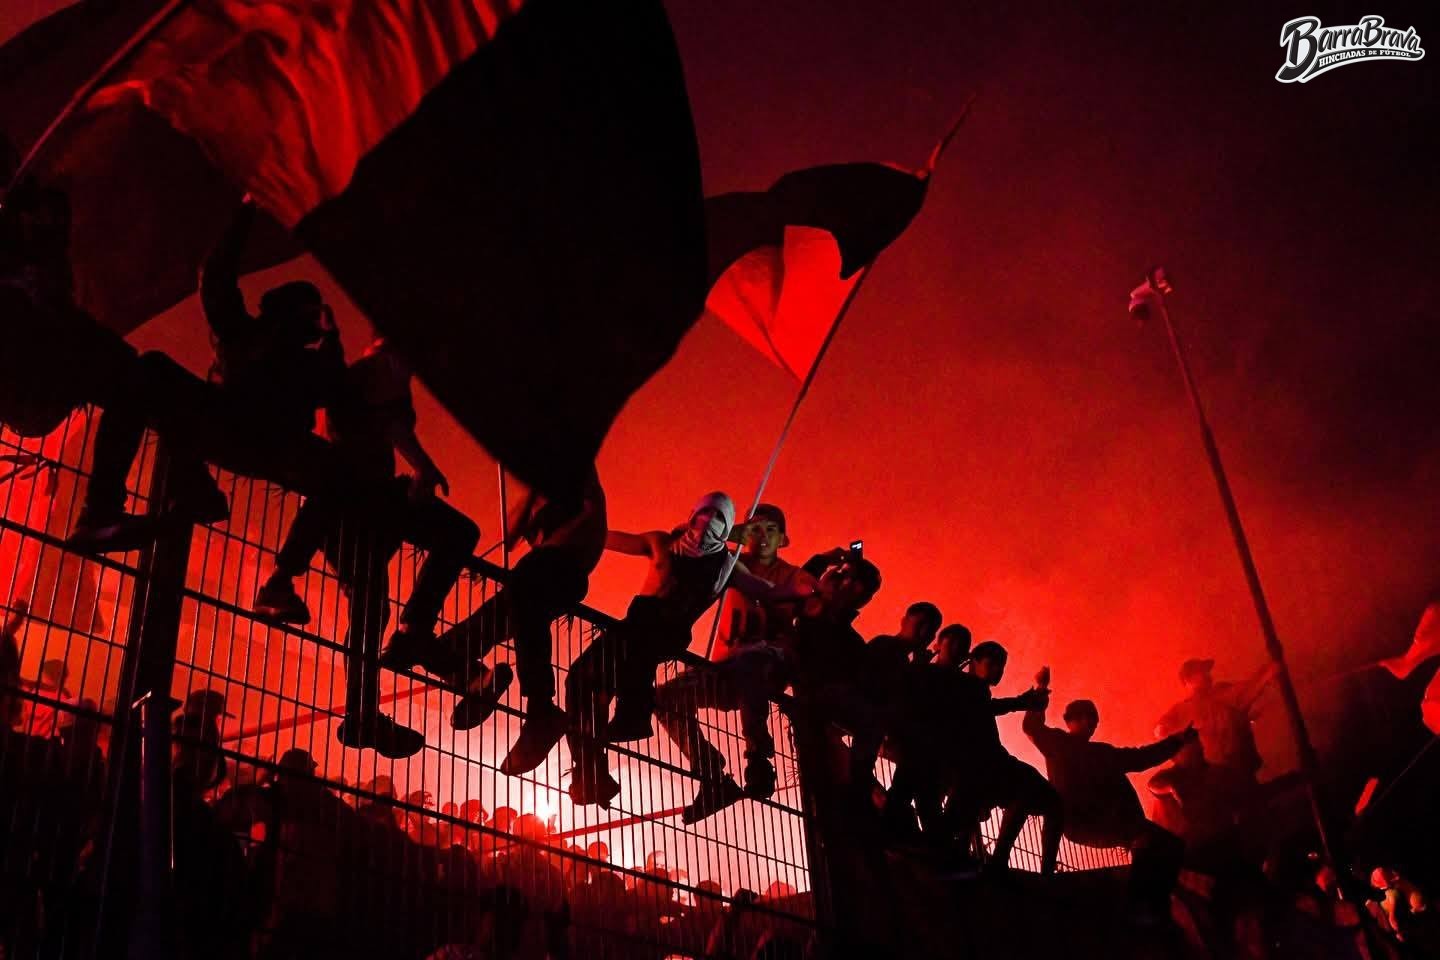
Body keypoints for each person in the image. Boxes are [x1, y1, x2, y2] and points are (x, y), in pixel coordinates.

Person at [250, 337, 482, 758]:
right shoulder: (376, 371)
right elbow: (387, 425)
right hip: (355, 505)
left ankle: (395, 660)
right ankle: (393, 663)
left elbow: (389, 426)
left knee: (374, 606)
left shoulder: (382, 374)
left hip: (371, 501)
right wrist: (423, 467)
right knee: (378, 601)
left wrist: (421, 468)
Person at [563, 494, 814, 807]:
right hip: (638, 631)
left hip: (666, 636)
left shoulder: (727, 566)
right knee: (583, 683)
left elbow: (772, 591)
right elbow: (609, 538)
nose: (707, 521)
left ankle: (629, 724)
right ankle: (592, 770)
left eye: (718, 517)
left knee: (601, 680)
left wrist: (805, 587)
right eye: (703, 512)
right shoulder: (664, 543)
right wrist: (579, 524)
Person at [430, 466, 607, 775]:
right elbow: (510, 537)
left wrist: (551, 545)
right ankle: (477, 680)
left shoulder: (578, 470)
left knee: (522, 608)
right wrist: (532, 491)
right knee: (443, 647)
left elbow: (593, 517)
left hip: (557, 569)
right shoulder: (537, 493)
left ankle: (541, 708)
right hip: (530, 576)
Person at [653, 504, 818, 823]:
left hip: (766, 665)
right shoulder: (731, 564)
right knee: (663, 697)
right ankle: (712, 775)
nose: (762, 535)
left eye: (771, 529)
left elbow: (810, 591)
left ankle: (758, 758)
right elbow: (696, 547)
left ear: (782, 539)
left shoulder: (791, 574)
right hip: (725, 668)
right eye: (755, 528)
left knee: (753, 661)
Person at [1023, 681, 1196, 917]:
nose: (1093, 724)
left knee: (1171, 845)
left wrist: (1176, 741)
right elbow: (1032, 727)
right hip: (1084, 822)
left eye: (1094, 719)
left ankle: (1151, 902)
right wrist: (1041, 688)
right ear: (1074, 720)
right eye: (1088, 718)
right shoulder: (1060, 744)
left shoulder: (1097, 752)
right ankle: (1138, 905)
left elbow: (1141, 758)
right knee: (1152, 841)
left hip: (1102, 821)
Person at [948, 641, 1062, 875]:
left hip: (989, 764)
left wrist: (1031, 695)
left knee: (1032, 797)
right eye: (992, 664)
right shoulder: (964, 687)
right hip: (983, 765)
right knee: (1044, 799)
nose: (998, 671)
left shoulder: (973, 689)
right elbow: (983, 708)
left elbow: (986, 708)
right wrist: (1021, 701)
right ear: (974, 661)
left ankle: (1000, 860)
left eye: (1001, 666)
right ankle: (1026, 869)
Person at [1156, 658, 1276, 801]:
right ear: (1187, 680)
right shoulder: (1186, 708)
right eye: (1200, 672)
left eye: (1206, 671)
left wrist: (1267, 674)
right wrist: (1163, 728)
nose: (1206, 675)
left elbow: (1249, 690)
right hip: (1220, 773)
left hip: (1240, 767)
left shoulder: (1222, 692)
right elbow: (1161, 729)